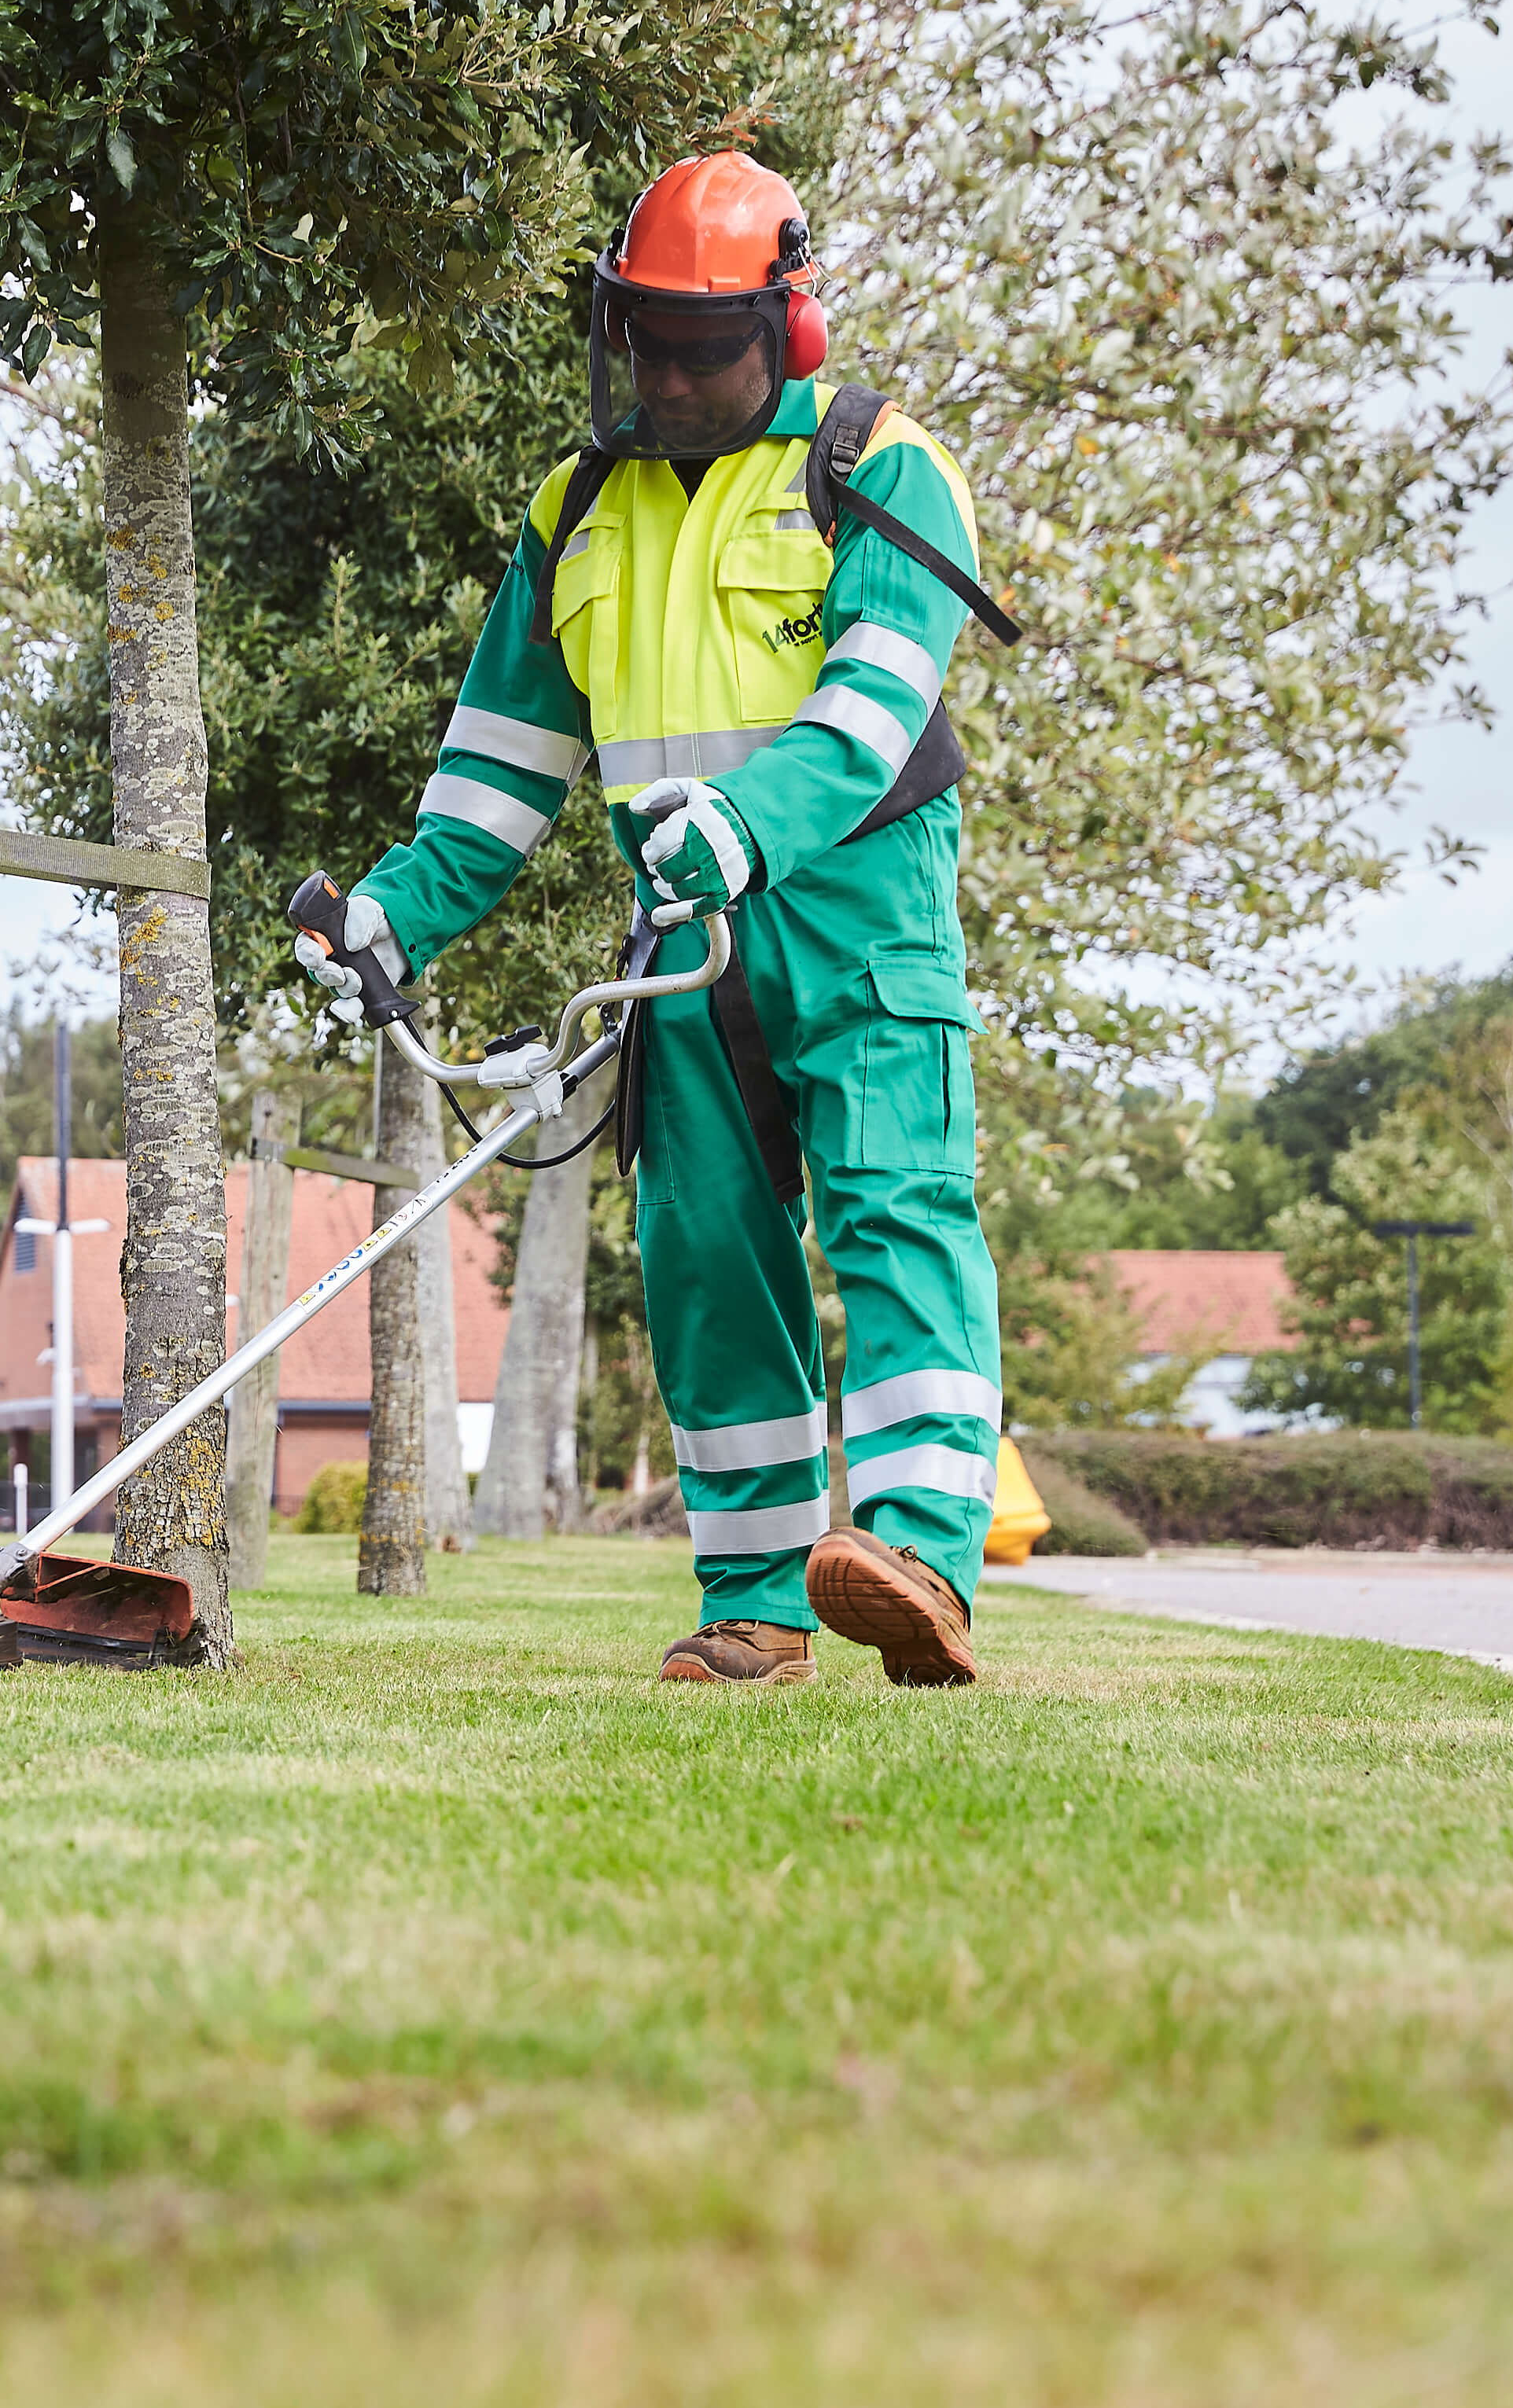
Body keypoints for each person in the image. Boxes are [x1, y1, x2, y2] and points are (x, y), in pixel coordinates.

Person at [296, 152, 1002, 1686]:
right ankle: (752, 1594)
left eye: (702, 351)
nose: (669, 382)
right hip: (683, 938)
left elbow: (876, 699)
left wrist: (746, 826)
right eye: (647, 346)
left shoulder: (877, 467)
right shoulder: (572, 514)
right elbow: (494, 772)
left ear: (785, 332)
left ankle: (920, 1561)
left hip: (859, 914)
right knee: (700, 1251)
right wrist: (389, 917)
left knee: (894, 1207)